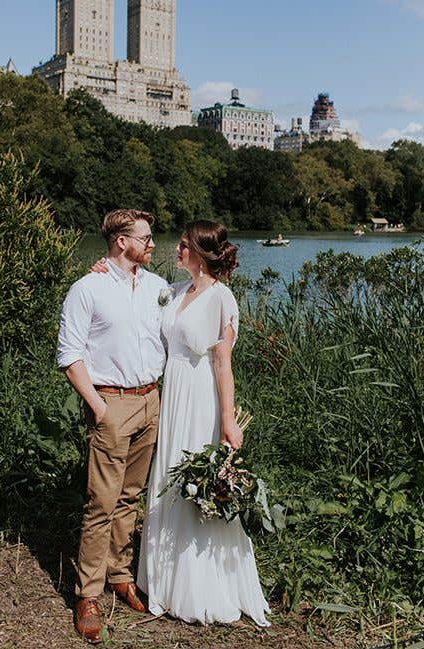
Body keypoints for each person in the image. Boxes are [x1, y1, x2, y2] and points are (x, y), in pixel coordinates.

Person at [136, 220, 271, 626]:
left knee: (195, 481)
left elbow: (222, 362)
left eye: (183, 245)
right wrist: (104, 269)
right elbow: (136, 282)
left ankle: (200, 584)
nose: (176, 250)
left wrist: (229, 421)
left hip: (199, 399)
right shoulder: (174, 292)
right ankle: (164, 578)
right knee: (166, 478)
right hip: (171, 393)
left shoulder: (221, 298)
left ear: (201, 253)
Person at [57, 209, 169, 642]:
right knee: (101, 501)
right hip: (112, 404)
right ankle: (87, 592)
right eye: (146, 237)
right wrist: (98, 408)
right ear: (121, 241)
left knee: (130, 497)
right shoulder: (88, 289)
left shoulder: (158, 287)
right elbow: (70, 355)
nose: (153, 244)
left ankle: (120, 575)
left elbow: (195, 297)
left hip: (150, 401)